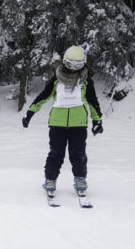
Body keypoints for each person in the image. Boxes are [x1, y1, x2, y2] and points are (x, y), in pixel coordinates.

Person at [21, 43, 103, 197]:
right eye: (70, 64)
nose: (73, 68)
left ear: (83, 63)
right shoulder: (56, 80)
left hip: (78, 124)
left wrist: (97, 120)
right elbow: (43, 97)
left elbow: (93, 102)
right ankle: (50, 180)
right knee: (55, 153)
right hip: (57, 124)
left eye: (78, 65)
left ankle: (80, 179)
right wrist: (30, 113)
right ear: (65, 62)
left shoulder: (86, 81)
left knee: (78, 153)